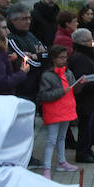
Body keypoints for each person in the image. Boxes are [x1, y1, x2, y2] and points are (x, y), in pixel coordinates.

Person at [38, 45, 82, 179]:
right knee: (52, 139)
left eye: (65, 57)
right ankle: (47, 167)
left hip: (66, 109)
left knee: (61, 137)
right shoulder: (47, 75)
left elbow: (75, 89)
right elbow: (44, 95)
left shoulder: (68, 72)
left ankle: (62, 162)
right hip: (54, 111)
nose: (64, 60)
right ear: (53, 58)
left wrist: (80, 83)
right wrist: (62, 91)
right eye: (61, 57)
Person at [68, 29, 94, 164]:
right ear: (82, 42)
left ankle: (87, 149)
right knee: (85, 127)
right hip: (86, 100)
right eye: (89, 40)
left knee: (89, 126)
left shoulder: (86, 55)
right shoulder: (80, 58)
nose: (93, 43)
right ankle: (82, 152)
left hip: (91, 99)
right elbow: (83, 81)